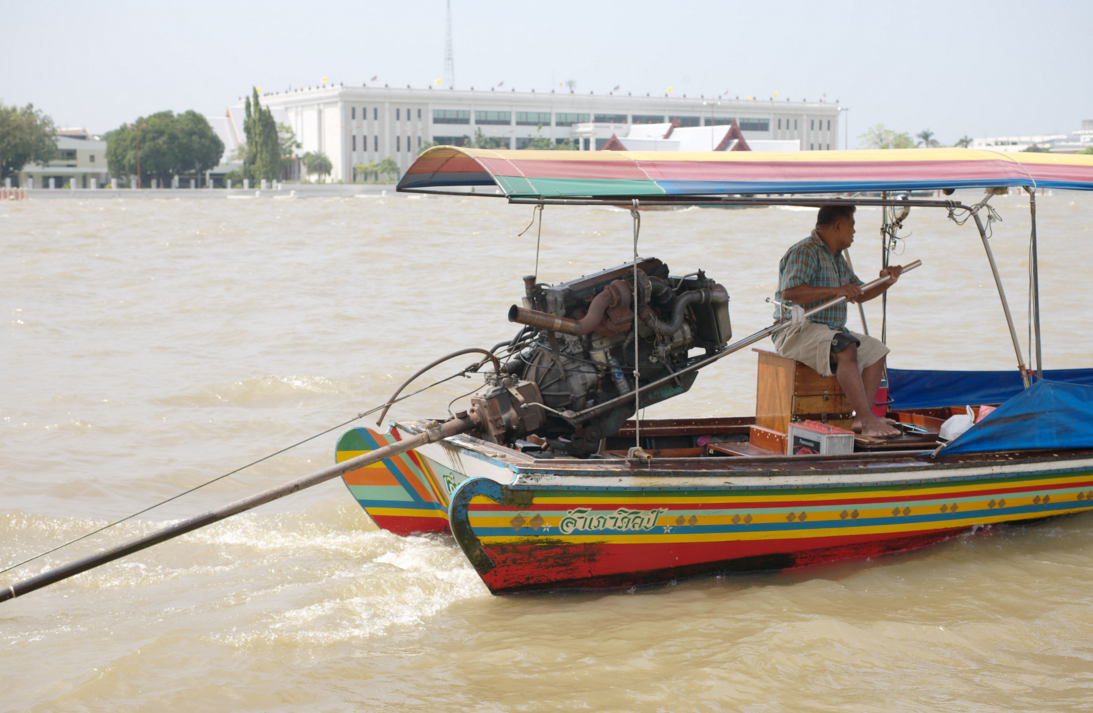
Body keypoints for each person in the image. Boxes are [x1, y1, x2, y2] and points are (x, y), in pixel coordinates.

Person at [773, 204, 904, 438]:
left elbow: (859, 293)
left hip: (829, 331)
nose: (854, 232)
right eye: (852, 225)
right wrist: (836, 290)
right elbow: (790, 293)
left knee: (876, 350)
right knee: (846, 345)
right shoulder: (806, 250)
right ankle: (867, 420)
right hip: (796, 331)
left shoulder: (837, 258)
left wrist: (886, 281)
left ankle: (859, 419)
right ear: (838, 226)